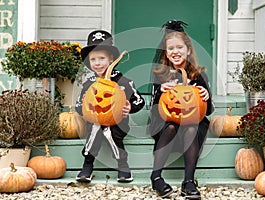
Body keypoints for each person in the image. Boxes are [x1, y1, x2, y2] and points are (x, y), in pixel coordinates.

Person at [148, 20, 214, 199]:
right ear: (166, 53)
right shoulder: (160, 75)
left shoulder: (199, 75)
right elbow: (154, 109)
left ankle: (189, 182)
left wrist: (205, 96)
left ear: (188, 50)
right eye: (171, 48)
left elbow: (207, 111)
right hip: (166, 124)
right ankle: (156, 176)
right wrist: (160, 92)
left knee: (192, 127)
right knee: (170, 126)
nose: (175, 52)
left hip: (191, 124)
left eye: (179, 47)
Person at [75, 30, 145, 183]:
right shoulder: (89, 84)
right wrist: (86, 111)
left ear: (111, 59)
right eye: (93, 59)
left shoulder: (123, 82)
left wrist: (129, 107)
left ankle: (122, 164)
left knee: (109, 130)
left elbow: (139, 100)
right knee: (95, 127)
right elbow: (79, 105)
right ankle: (88, 164)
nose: (97, 63)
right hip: (94, 122)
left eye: (102, 58)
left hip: (118, 123)